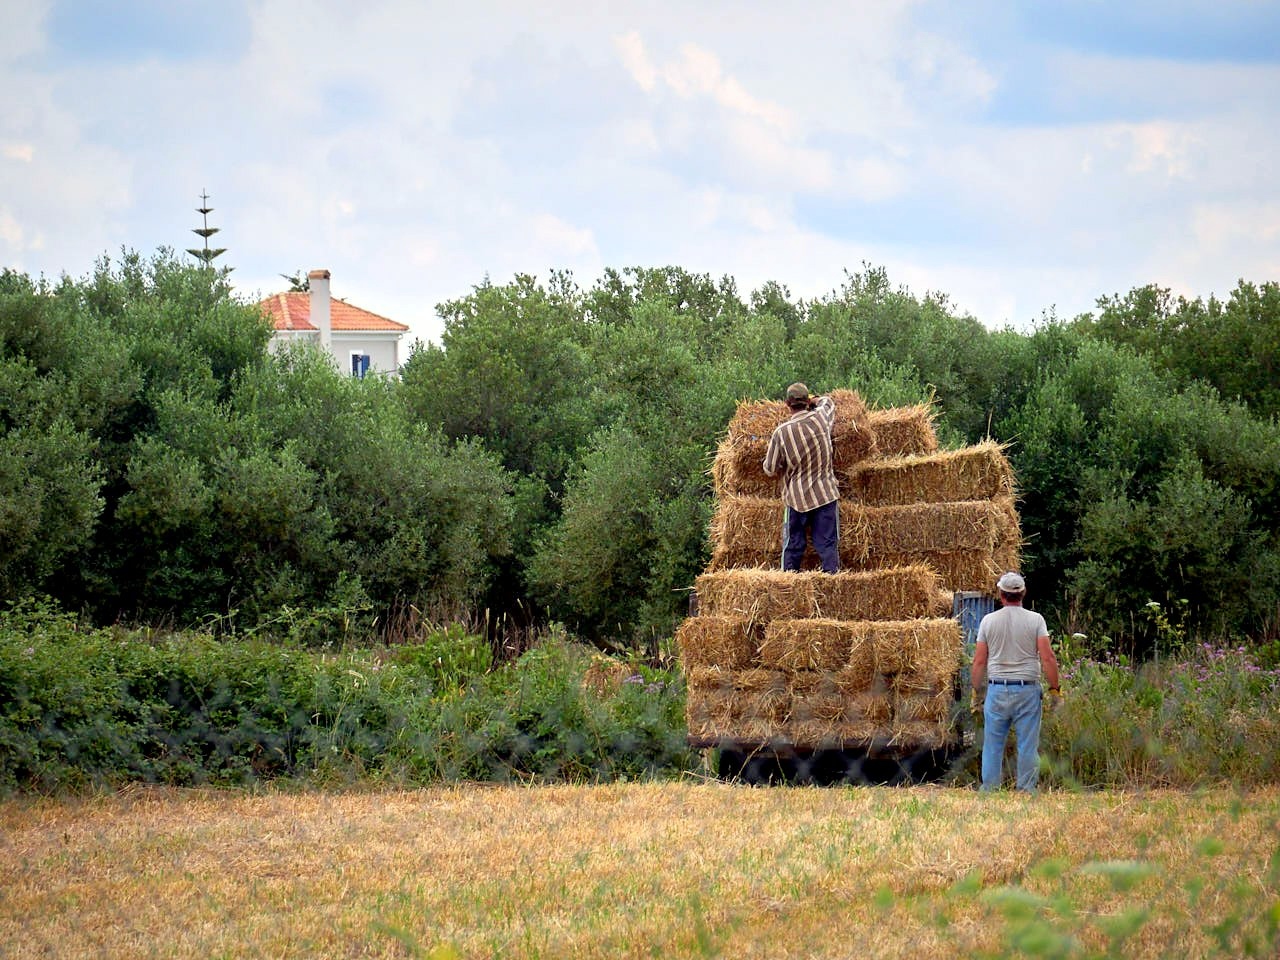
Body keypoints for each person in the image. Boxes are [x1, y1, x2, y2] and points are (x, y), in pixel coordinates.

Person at [970, 571, 1062, 792]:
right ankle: (1026, 790)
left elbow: (979, 661)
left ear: (1001, 595)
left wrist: (976, 692)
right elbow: (1047, 657)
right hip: (1027, 690)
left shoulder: (988, 621)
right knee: (1028, 745)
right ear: (1023, 594)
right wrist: (1055, 690)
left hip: (997, 689)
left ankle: (990, 790)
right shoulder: (1036, 620)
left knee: (992, 745)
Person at [762, 382, 840, 573]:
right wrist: (816, 400)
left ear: (787, 404)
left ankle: (789, 588)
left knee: (793, 548)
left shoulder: (781, 433)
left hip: (797, 500)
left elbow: (770, 469)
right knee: (828, 547)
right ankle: (833, 585)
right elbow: (829, 403)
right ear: (807, 401)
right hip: (825, 495)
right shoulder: (821, 419)